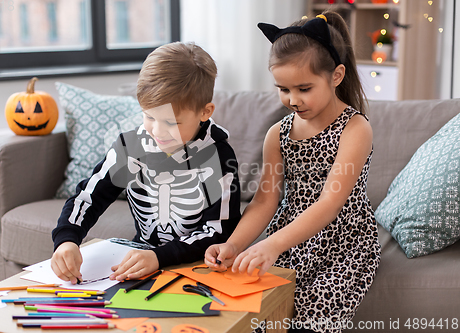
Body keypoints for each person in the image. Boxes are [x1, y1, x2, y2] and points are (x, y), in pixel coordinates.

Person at [205, 12, 381, 333]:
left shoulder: (355, 128)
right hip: (290, 238)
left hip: (344, 245)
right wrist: (234, 245)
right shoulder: (278, 134)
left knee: (310, 321)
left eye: (304, 88)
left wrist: (272, 245)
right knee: (258, 318)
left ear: (336, 75)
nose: (292, 100)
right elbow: (264, 202)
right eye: (283, 89)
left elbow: (329, 203)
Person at [51, 42, 241, 285]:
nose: (158, 131)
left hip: (197, 267)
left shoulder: (219, 156)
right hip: (143, 263)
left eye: (172, 123)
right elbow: (89, 196)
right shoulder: (132, 146)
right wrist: (67, 238)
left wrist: (159, 257)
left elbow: (218, 231)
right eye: (149, 116)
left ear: (205, 112)